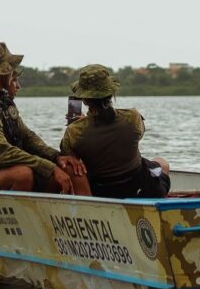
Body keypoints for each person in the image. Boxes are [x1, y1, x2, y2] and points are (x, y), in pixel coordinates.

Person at [0, 42, 89, 194]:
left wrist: (56, 157)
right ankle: (16, 217)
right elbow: (2, 153)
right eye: (10, 69)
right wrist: (49, 167)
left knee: (70, 167)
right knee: (22, 174)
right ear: (1, 73)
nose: (12, 73)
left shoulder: (2, 100)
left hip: (4, 170)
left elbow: (27, 137)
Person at [60, 64, 171, 199]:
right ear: (111, 93)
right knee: (162, 163)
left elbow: (71, 158)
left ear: (84, 100)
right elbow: (134, 135)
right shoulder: (132, 117)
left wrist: (80, 123)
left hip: (102, 192)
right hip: (142, 189)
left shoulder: (74, 131)